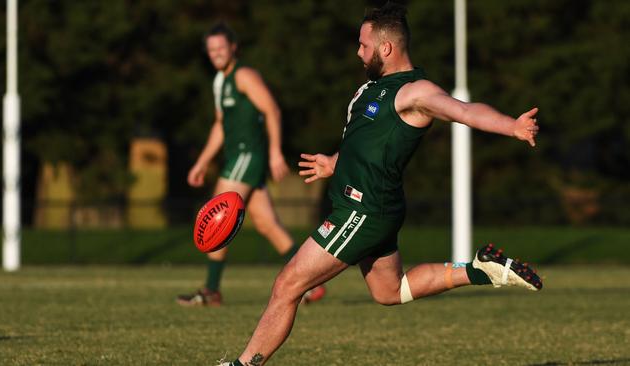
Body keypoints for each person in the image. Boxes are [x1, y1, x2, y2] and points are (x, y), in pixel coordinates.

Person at [218, 3, 542, 365]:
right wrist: (333, 163)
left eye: (363, 44)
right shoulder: (371, 90)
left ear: (386, 48)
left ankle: (243, 364)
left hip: (364, 210)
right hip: (369, 207)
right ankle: (479, 269)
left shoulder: (414, 92)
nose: (358, 51)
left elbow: (464, 111)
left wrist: (510, 126)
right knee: (390, 291)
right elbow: (365, 143)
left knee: (287, 285)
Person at [177, 23, 326, 307]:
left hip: (248, 155)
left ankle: (211, 290)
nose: (216, 53)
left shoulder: (243, 75)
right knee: (267, 223)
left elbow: (272, 109)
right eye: (211, 50)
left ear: (233, 47)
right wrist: (201, 162)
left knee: (217, 215)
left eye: (221, 47)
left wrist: (274, 153)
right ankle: (312, 284)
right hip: (240, 157)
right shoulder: (220, 82)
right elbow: (221, 125)